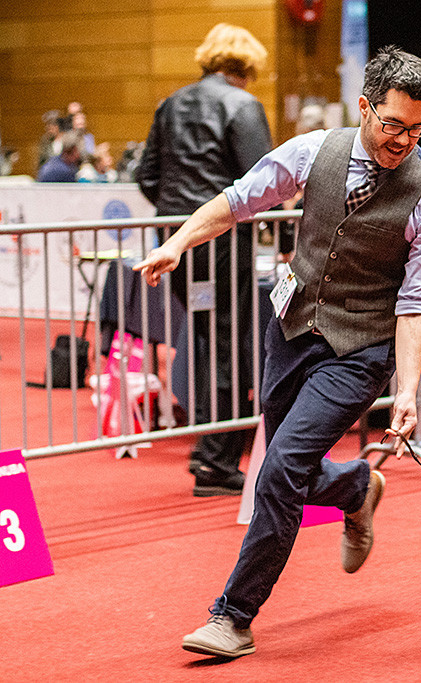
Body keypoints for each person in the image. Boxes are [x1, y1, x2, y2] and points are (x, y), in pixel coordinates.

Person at [135, 45, 421, 659]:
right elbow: (238, 199)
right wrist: (178, 242)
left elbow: (418, 301)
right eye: (393, 124)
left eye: (419, 128)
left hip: (360, 349)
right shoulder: (314, 150)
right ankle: (355, 489)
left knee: (278, 470)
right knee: (292, 468)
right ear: (365, 107)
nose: (406, 140)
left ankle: (233, 615)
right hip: (289, 331)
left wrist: (408, 389)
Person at [136, 23, 274, 496]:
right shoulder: (243, 105)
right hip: (219, 238)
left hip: (174, 239)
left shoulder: (171, 102)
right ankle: (216, 460)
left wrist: (177, 217)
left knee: (202, 337)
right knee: (227, 344)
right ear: (248, 66)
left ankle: (209, 452)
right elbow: (263, 181)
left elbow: (146, 174)